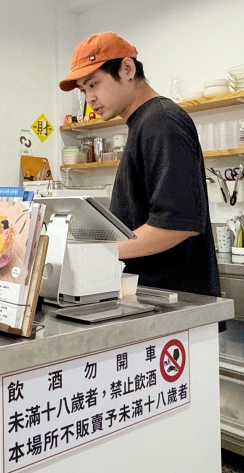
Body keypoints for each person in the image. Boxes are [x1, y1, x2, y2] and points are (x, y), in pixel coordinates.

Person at [59, 32, 220, 298]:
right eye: (84, 90)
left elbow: (177, 224)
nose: (90, 99)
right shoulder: (143, 124)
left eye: (94, 84)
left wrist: (102, 251)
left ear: (127, 68)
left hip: (175, 304)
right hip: (151, 298)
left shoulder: (162, 122)